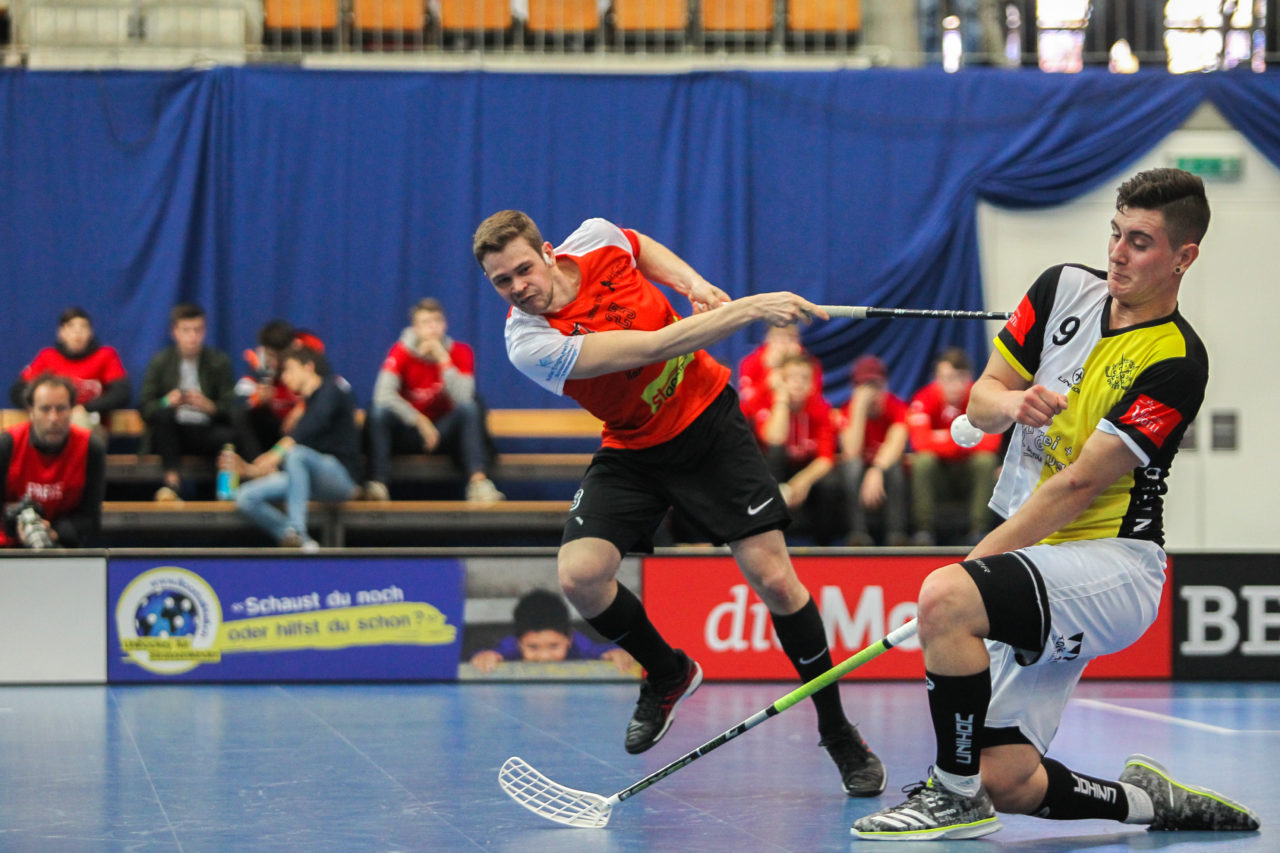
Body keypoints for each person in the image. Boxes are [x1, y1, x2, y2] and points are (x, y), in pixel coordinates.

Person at [853, 169, 1259, 840]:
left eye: (1141, 242)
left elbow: (1075, 488)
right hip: (1039, 560)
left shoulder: (1177, 360)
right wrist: (1011, 403)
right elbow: (982, 396)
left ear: (1185, 257)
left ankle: (951, 795)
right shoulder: (1060, 289)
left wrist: (969, 572)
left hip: (1113, 565)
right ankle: (1151, 802)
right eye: (1115, 233)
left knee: (947, 597)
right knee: (1009, 777)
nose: (1118, 253)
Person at [473, 210, 885, 797]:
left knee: (775, 581)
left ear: (545, 251)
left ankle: (839, 731)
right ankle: (668, 671)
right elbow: (653, 346)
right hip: (634, 448)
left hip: (709, 424)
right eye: (501, 282)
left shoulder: (595, 238)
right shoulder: (530, 342)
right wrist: (748, 309)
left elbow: (639, 248)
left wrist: (692, 284)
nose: (518, 288)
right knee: (581, 576)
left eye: (521, 270)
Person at [363, 298, 503, 503]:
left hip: (445, 433)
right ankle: (378, 485)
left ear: (445, 324)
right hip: (409, 431)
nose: (432, 328)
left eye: (436, 321)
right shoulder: (401, 351)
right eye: (425, 323)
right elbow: (382, 396)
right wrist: (419, 421)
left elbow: (464, 398)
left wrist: (443, 360)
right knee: (377, 412)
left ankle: (478, 484)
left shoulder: (461, 352)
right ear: (415, 328)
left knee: (471, 409)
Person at [227, 345, 360, 551]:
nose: (285, 378)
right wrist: (250, 470)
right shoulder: (305, 407)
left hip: (340, 478)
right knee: (245, 496)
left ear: (308, 367)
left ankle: (297, 530)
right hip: (307, 479)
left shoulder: (332, 390)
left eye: (289, 370)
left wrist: (276, 453)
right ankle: (301, 543)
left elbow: (313, 426)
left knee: (296, 454)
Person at [138, 303, 239, 501]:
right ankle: (172, 483)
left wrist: (210, 407)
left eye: (198, 330)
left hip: (204, 431)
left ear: (205, 331)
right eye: (186, 331)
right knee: (163, 415)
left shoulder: (219, 361)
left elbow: (233, 407)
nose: (193, 337)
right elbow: (145, 408)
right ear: (174, 332)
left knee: (232, 434)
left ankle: (222, 492)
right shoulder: (161, 361)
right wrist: (168, 401)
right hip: (171, 433)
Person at [905, 346, 1002, 546]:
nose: (954, 385)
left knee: (986, 461)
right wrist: (964, 440)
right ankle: (924, 531)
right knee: (923, 461)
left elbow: (991, 443)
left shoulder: (981, 400)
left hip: (968, 474)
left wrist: (942, 438)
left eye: (960, 378)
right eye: (947, 378)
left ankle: (978, 531)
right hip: (939, 475)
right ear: (937, 379)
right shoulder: (924, 399)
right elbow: (920, 443)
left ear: (970, 378)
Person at [749, 352, 844, 545]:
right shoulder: (765, 403)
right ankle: (766, 538)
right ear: (780, 381)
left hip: (804, 468)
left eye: (804, 378)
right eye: (791, 378)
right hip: (773, 469)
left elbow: (825, 459)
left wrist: (801, 482)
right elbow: (774, 439)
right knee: (774, 454)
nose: (798, 384)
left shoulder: (821, 409)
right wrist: (781, 400)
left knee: (830, 483)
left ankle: (823, 545)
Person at [0, 373, 105, 548]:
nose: (53, 418)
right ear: (31, 411)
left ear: (72, 410)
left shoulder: (91, 448)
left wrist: (53, 532)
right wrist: (16, 527)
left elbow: (90, 518)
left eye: (61, 408)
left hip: (62, 547)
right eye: (45, 409)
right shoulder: (7, 445)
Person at [9, 307, 130, 441]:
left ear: (90, 333)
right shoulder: (47, 357)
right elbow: (18, 391)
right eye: (71, 327)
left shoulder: (105, 356)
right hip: (51, 419)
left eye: (83, 328)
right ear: (61, 333)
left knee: (78, 420)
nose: (77, 333)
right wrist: (42, 408)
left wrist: (85, 408)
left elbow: (121, 393)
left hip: (90, 421)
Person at [469, 588, 636, 674]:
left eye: (554, 646)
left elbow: (598, 650)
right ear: (519, 642)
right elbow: (492, 653)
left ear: (568, 639)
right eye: (533, 647)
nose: (544, 657)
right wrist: (485, 656)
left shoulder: (578, 644)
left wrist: (616, 652)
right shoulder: (511, 646)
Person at [838, 355, 909, 547]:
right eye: (865, 387)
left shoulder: (896, 407)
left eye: (875, 386)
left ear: (884, 385)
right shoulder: (848, 410)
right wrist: (859, 408)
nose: (872, 393)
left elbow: (896, 444)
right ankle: (858, 534)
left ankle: (896, 535)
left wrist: (876, 470)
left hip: (882, 469)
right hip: (859, 471)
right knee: (851, 466)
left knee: (894, 466)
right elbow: (851, 451)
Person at [231, 320, 319, 460]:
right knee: (241, 415)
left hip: (301, 430)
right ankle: (257, 469)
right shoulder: (260, 367)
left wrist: (302, 407)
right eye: (271, 356)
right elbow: (236, 401)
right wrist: (256, 400)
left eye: (281, 356)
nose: (276, 362)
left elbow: (328, 392)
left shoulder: (306, 360)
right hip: (273, 430)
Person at [735, 324, 823, 414]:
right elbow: (748, 403)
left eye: (791, 337)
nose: (785, 342)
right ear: (767, 339)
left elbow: (815, 400)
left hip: (799, 416)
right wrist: (769, 371)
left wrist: (795, 367)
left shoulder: (809, 364)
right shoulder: (751, 362)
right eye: (779, 336)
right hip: (760, 417)